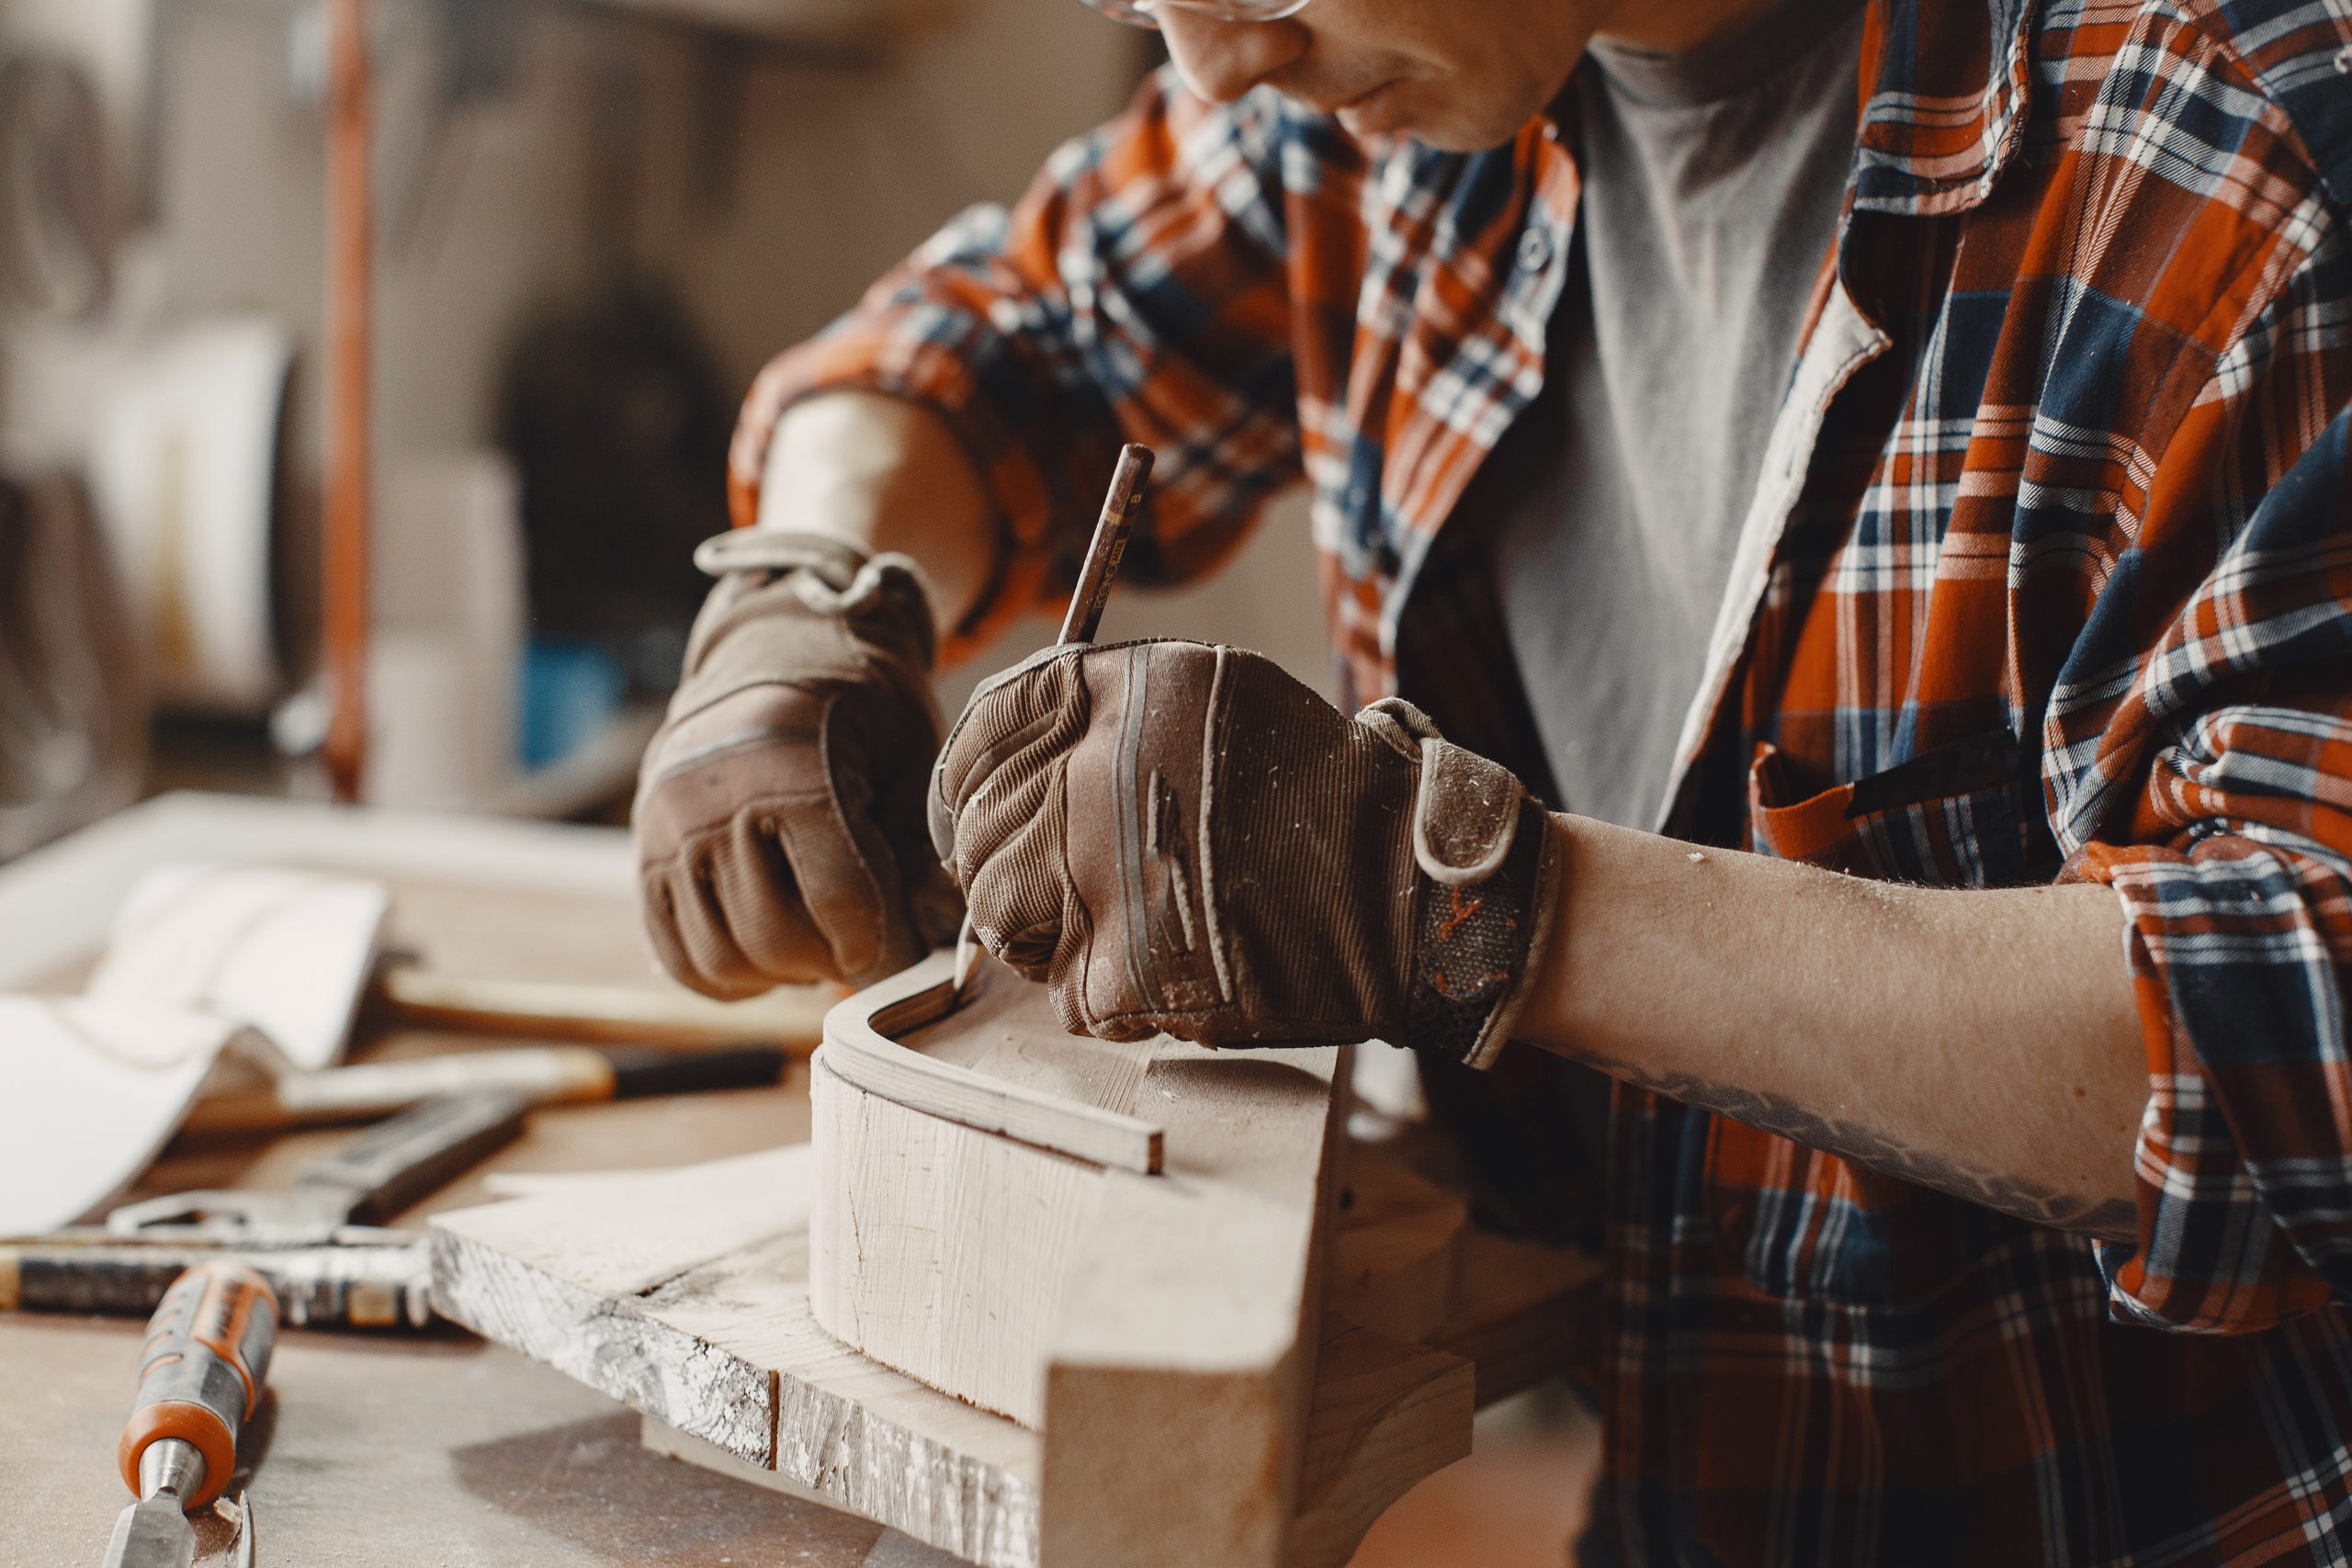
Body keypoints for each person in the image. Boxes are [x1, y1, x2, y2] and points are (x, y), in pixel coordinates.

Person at [630, 0, 2352, 1557]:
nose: (1210, 63)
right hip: (1707, 1490)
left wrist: (1454, 896)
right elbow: (997, 337)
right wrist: (800, 591)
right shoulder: (1394, 93)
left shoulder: (2236, 156)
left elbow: (2289, 1029)